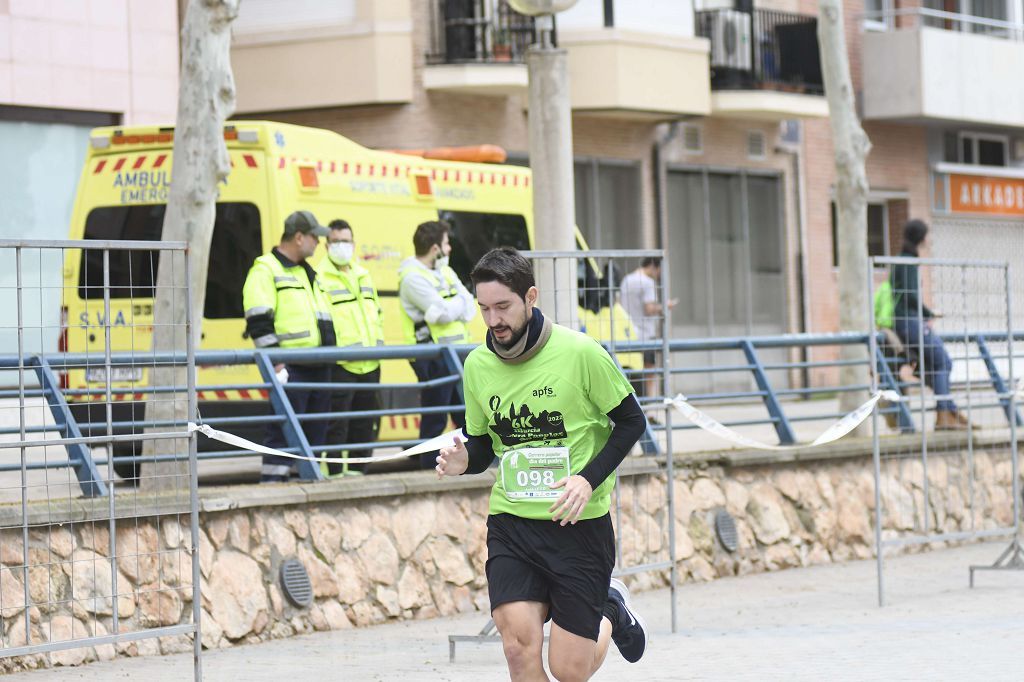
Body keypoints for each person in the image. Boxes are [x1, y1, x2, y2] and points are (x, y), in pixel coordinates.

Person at [436, 247, 649, 681]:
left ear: (530, 297)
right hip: (513, 524)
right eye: (484, 309)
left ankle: (611, 608)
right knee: (518, 649)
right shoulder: (478, 365)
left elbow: (631, 421)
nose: (494, 320)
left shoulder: (581, 353)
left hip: (577, 526)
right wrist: (464, 460)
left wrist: (588, 481)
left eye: (503, 307)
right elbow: (485, 443)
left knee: (570, 671)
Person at [242, 210, 337, 482]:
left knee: (315, 432)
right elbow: (258, 320)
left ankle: (305, 480)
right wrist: (277, 363)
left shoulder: (308, 272)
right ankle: (273, 485)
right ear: (298, 237)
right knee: (283, 432)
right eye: (314, 237)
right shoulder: (266, 269)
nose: (318, 243)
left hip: (319, 366)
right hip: (291, 367)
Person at [398, 220, 476, 467]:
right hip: (432, 357)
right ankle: (426, 468)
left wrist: (452, 308)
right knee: (435, 417)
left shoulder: (445, 271)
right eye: (446, 243)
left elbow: (470, 305)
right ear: (435, 248)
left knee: (466, 415)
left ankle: (470, 463)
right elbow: (441, 314)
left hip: (456, 354)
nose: (450, 248)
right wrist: (456, 306)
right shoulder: (412, 277)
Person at [317, 219, 384, 476]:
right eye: (336, 241)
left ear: (354, 244)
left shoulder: (363, 274)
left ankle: (358, 472)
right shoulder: (320, 277)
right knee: (336, 425)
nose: (342, 246)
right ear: (327, 245)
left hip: (370, 361)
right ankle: (334, 473)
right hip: (341, 363)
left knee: (365, 423)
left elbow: (376, 313)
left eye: (346, 241)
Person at [891, 219, 968, 431]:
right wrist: (929, 313)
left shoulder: (903, 259)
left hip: (908, 321)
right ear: (920, 237)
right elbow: (910, 296)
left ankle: (949, 410)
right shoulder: (907, 261)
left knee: (937, 366)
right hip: (909, 322)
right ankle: (945, 414)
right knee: (943, 362)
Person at [619, 257, 676, 402]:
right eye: (658, 271)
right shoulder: (647, 282)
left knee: (629, 374)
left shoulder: (626, 280)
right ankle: (651, 410)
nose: (658, 275)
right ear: (652, 266)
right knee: (650, 373)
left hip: (628, 332)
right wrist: (665, 306)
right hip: (645, 334)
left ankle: (635, 405)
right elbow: (649, 308)